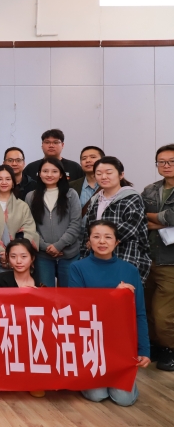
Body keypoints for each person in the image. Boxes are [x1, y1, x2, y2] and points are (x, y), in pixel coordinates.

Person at [69, 220, 150, 406]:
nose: (102, 241)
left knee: (124, 400)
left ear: (117, 242)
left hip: (120, 342)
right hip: (91, 340)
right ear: (89, 241)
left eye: (108, 237)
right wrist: (114, 296)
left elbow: (139, 312)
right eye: (96, 237)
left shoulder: (130, 270)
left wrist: (144, 349)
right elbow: (77, 308)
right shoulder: (77, 268)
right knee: (96, 395)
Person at [80, 157, 151, 283]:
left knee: (122, 292)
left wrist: (99, 240)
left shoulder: (132, 197)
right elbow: (88, 228)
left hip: (125, 255)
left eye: (109, 172)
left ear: (121, 175)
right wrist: (89, 242)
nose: (103, 177)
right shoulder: (95, 199)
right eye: (99, 173)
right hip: (97, 258)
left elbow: (130, 228)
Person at [25, 158, 82, 287]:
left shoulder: (71, 194)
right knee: (45, 293)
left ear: (61, 174)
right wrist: (45, 247)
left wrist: (59, 245)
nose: (49, 174)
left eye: (54, 171)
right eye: (45, 171)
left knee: (69, 293)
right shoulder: (31, 196)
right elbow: (29, 227)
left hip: (69, 254)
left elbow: (76, 224)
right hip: (42, 255)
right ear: (39, 174)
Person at [142, 144, 174, 371]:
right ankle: (154, 346)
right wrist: (163, 221)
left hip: (170, 261)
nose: (166, 165)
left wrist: (158, 220)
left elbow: (171, 216)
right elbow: (141, 217)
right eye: (161, 162)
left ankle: (169, 348)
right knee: (148, 309)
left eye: (171, 161)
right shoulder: (151, 189)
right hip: (148, 257)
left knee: (164, 314)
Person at [0, 165, 40, 277]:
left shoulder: (22, 206)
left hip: (18, 259)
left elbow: (29, 231)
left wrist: (12, 253)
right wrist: (1, 252)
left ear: (13, 182)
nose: (4, 182)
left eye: (8, 179)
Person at [70, 146, 105, 214]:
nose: (88, 160)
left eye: (93, 157)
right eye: (84, 158)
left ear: (103, 161)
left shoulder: (112, 185)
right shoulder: (71, 186)